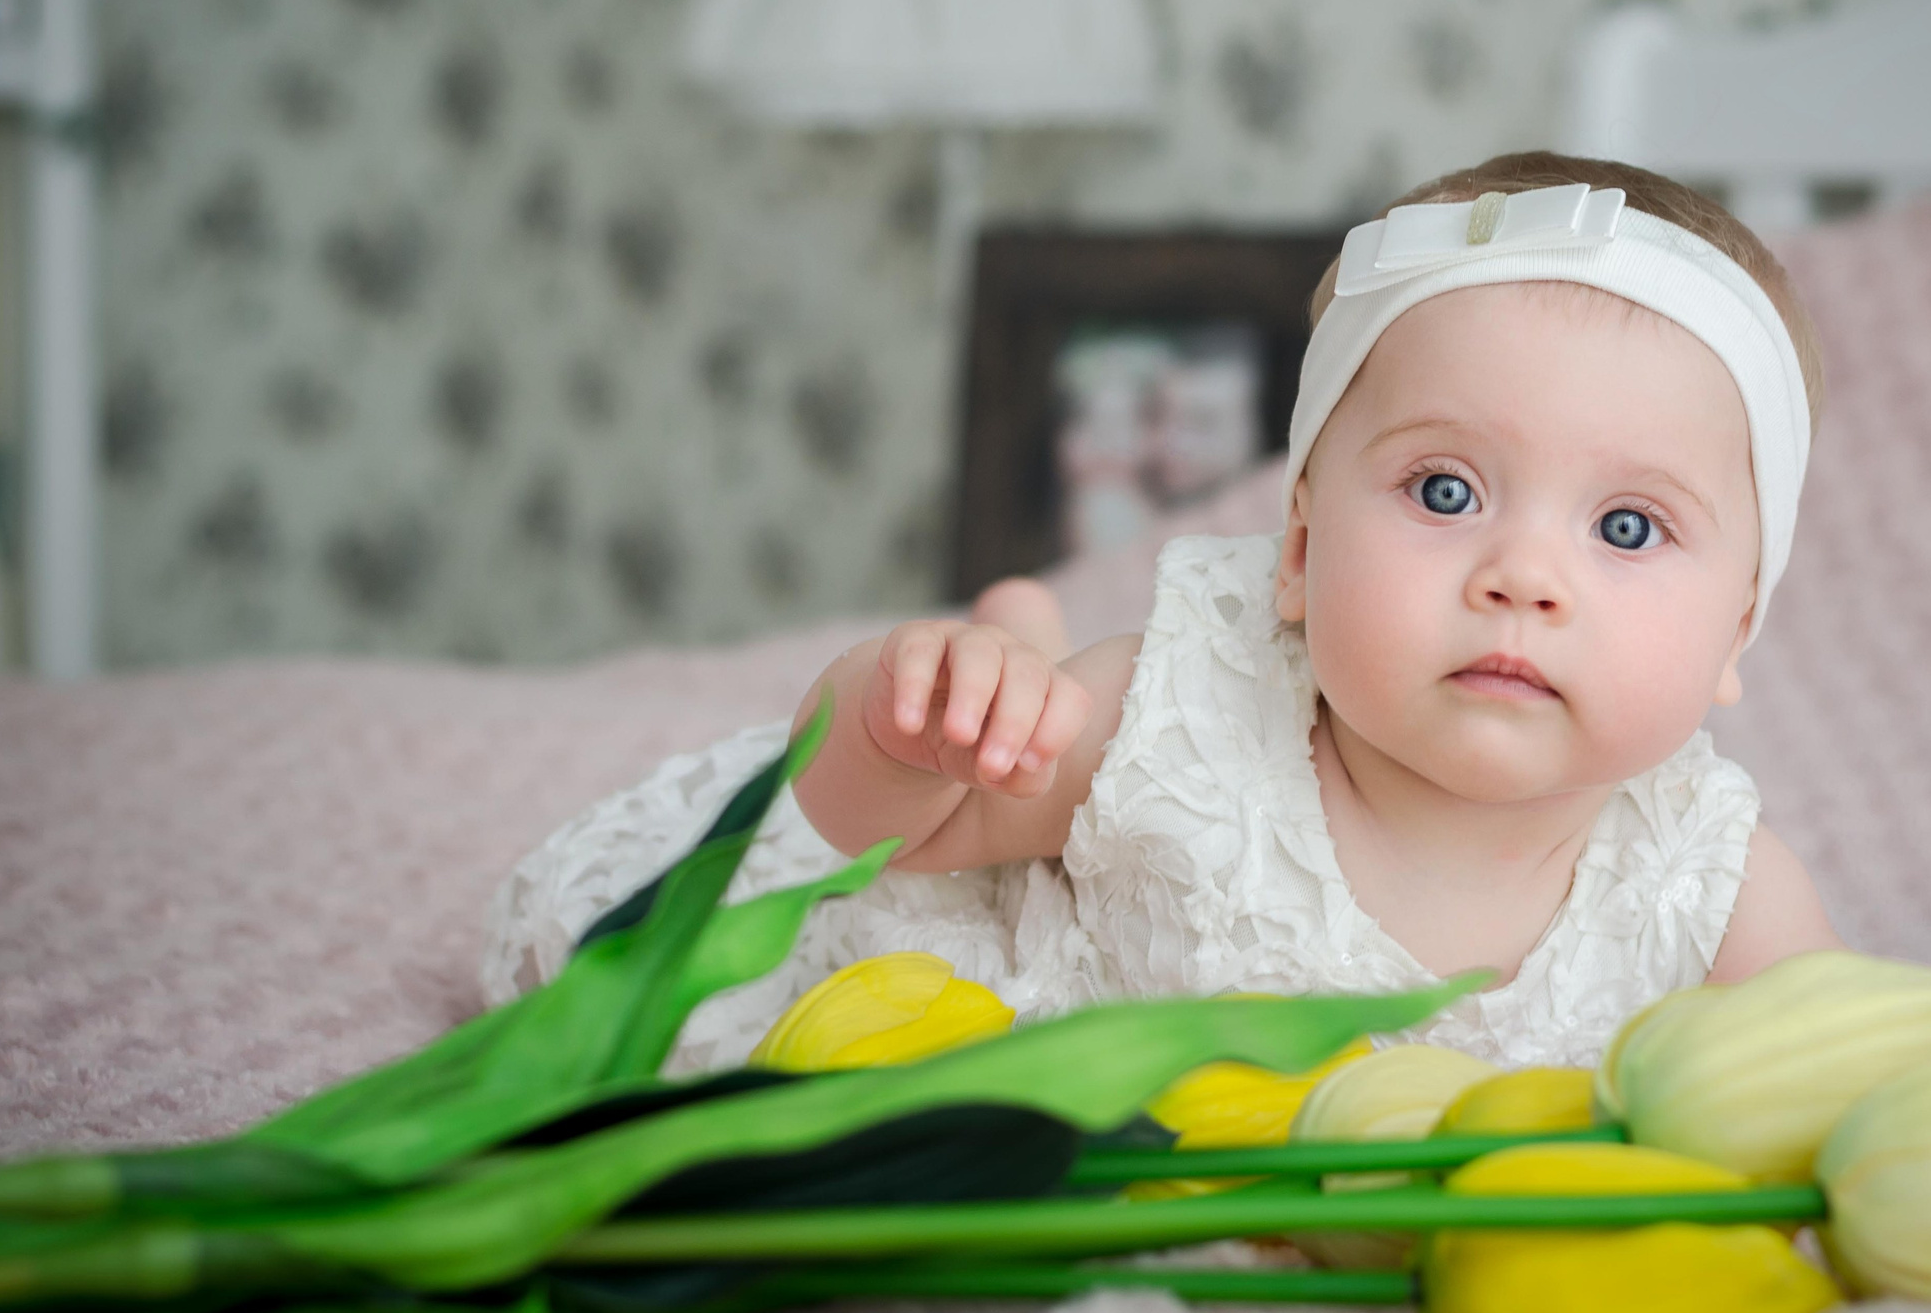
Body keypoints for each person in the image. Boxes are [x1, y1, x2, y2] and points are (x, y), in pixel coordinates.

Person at [482, 153, 1841, 1071]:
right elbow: (871, 842)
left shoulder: (1712, 892)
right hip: (1015, 1003)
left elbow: (1855, 1111)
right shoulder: (1174, 724)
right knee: (946, 759)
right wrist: (906, 733)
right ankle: (1000, 646)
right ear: (1297, 550)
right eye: (1443, 489)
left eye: (1626, 528)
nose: (1522, 577)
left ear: (1736, 637)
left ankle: (1019, 623)